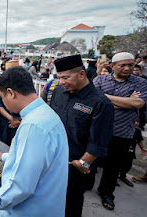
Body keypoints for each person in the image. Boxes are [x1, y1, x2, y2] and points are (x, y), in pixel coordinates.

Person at [0, 67, 68, 217]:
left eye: (2, 98)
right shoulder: (47, 115)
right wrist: (5, 157)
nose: (4, 103)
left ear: (11, 93)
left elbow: (22, 185)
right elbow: (38, 161)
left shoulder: (33, 126)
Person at [50, 55, 114, 217]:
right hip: (52, 161)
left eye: (66, 77)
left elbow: (99, 140)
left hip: (75, 166)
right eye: (59, 78)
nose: (62, 82)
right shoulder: (58, 92)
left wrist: (83, 164)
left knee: (71, 205)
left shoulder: (100, 103)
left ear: (81, 74)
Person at [93, 52, 147, 211]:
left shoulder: (140, 82)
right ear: (112, 66)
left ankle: (106, 192)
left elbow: (138, 104)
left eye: (130, 65)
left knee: (113, 165)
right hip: (98, 128)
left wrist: (105, 98)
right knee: (91, 159)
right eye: (122, 65)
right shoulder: (100, 79)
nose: (127, 68)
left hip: (122, 131)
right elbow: (94, 101)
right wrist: (127, 101)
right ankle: (86, 183)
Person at [118, 118, 147, 187]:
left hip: (131, 151)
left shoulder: (137, 131)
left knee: (128, 165)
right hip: (121, 150)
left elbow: (139, 141)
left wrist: (142, 148)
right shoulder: (125, 129)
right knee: (118, 164)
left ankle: (123, 176)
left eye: (138, 122)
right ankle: (114, 177)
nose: (136, 123)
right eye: (135, 121)